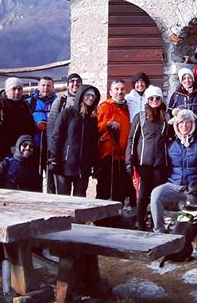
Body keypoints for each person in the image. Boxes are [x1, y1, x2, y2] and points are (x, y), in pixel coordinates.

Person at [149, 109, 197, 233]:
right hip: (174, 185)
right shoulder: (170, 145)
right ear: (176, 125)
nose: (184, 125)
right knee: (156, 193)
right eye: (181, 123)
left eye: (187, 122)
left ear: (192, 124)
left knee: (185, 217)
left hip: (193, 188)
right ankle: (159, 231)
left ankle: (180, 232)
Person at [126, 86, 173, 231]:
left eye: (157, 98)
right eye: (151, 98)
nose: (154, 101)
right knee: (142, 196)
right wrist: (129, 159)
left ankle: (155, 224)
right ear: (147, 100)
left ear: (161, 100)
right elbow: (132, 140)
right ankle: (140, 224)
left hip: (160, 164)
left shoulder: (166, 117)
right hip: (143, 164)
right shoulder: (140, 117)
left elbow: (171, 138)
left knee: (156, 196)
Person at [49, 84, 100, 197]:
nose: (91, 98)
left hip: (83, 168)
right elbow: (56, 136)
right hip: (65, 165)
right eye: (88, 95)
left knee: (80, 199)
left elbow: (93, 145)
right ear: (81, 96)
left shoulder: (92, 120)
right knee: (63, 199)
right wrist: (54, 159)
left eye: (93, 96)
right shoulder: (68, 113)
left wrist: (95, 165)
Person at [97, 80, 132, 214]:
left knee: (120, 188)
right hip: (108, 153)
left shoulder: (127, 107)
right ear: (110, 92)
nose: (119, 92)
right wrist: (108, 124)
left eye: (122, 89)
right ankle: (100, 218)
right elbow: (97, 126)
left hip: (123, 154)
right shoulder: (105, 106)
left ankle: (117, 217)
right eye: (116, 89)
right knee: (105, 188)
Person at [27, 76, 57, 193]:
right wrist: (35, 126)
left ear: (53, 87)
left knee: (51, 180)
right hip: (35, 146)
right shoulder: (30, 103)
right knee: (34, 177)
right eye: (43, 85)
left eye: (49, 85)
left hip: (51, 146)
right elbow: (24, 122)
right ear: (38, 87)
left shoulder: (58, 102)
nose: (46, 88)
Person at [168, 67, 197, 136]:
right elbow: (170, 113)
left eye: (189, 78)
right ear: (181, 81)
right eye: (184, 78)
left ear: (193, 79)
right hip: (181, 132)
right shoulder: (176, 95)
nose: (187, 80)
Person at [0, 77, 34, 150]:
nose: (17, 92)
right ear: (7, 90)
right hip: (3, 147)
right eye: (14, 89)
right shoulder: (0, 105)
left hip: (23, 147)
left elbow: (30, 126)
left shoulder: (25, 105)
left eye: (20, 89)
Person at [48, 73, 83, 145]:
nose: (75, 83)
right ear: (67, 85)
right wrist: (51, 145)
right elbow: (51, 125)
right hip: (63, 142)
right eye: (72, 81)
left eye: (78, 81)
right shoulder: (60, 101)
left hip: (81, 143)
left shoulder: (86, 102)